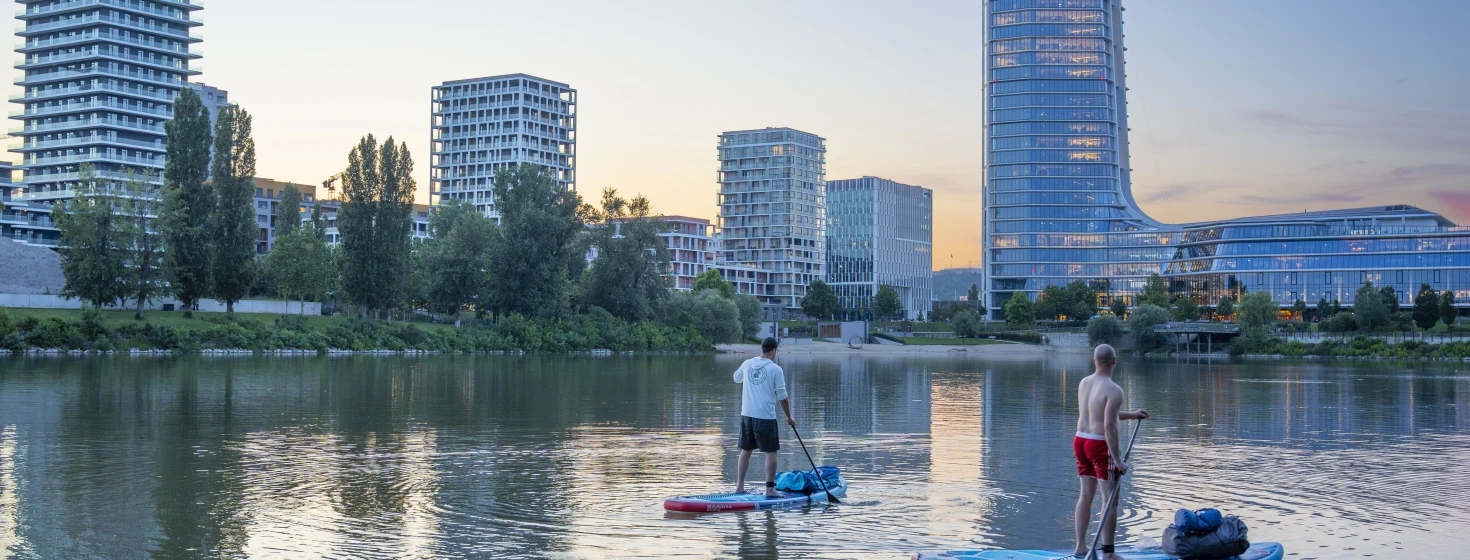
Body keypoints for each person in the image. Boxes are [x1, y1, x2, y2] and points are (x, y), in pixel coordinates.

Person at [1073, 344, 1149, 559]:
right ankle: (1109, 554)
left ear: (1094, 360)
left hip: (1080, 441)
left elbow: (1101, 414)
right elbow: (1108, 425)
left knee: (1085, 495)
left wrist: (1133, 415)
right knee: (1110, 500)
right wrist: (1117, 460)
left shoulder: (1084, 383)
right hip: (1099, 445)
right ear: (1115, 361)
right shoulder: (1114, 389)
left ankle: (1080, 547)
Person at [734, 337, 795, 498]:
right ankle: (769, 489)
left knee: (745, 450)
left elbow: (736, 378)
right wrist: (788, 417)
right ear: (774, 350)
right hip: (765, 417)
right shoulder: (776, 369)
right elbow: (782, 396)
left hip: (746, 415)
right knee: (771, 452)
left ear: (762, 349)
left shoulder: (747, 363)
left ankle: (739, 486)